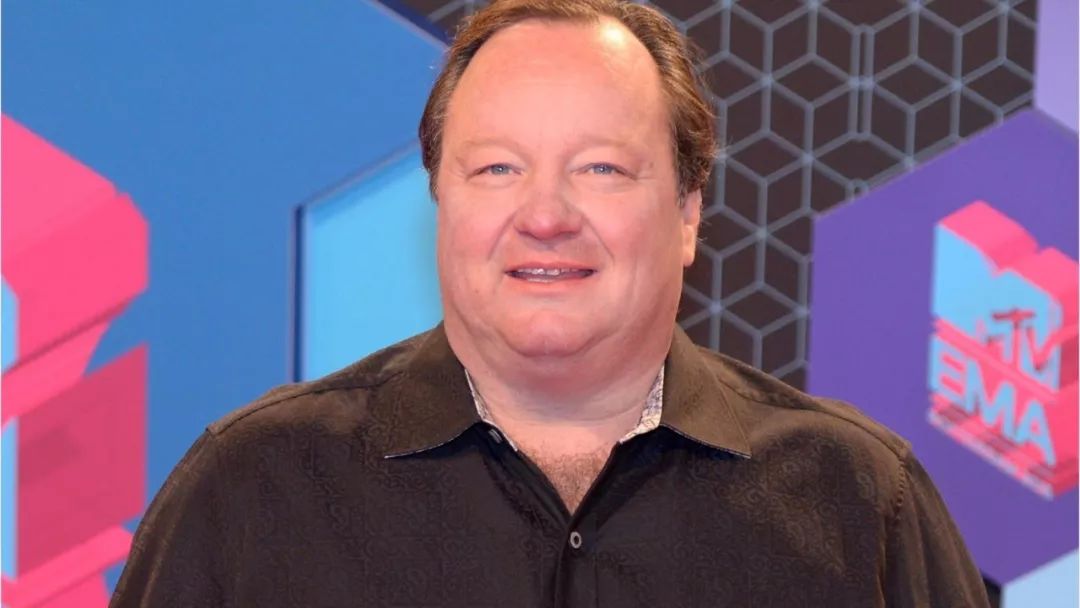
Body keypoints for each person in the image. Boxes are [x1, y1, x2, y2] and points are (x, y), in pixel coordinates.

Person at [110, 1, 990, 606]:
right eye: (498, 168)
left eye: (600, 168)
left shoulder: (861, 501)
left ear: (688, 213)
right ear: (441, 202)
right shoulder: (252, 488)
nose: (544, 215)